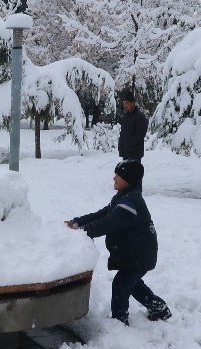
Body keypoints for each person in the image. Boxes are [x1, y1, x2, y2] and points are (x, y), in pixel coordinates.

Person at [65, 160, 172, 325]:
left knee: (121, 284)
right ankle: (159, 309)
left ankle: (119, 322)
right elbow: (103, 214)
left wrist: (84, 231)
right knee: (132, 283)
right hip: (135, 254)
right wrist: (77, 222)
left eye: (118, 175)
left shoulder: (130, 204)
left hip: (140, 255)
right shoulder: (124, 198)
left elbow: (107, 224)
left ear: (129, 179)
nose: (114, 178)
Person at [117, 89, 148, 162]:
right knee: (125, 173)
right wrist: (121, 145)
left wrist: (129, 145)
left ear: (133, 103)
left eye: (127, 103)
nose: (125, 106)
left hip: (135, 153)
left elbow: (140, 134)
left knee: (134, 173)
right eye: (124, 103)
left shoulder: (139, 116)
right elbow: (123, 133)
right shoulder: (126, 116)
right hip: (125, 153)